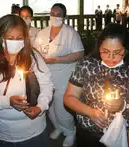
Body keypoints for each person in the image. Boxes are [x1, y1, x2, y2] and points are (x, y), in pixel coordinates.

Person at [64, 23, 129, 147]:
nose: (111, 58)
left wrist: (124, 105)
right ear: (99, 47)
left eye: (118, 52)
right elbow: (69, 98)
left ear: (126, 49)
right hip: (90, 136)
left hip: (126, 135)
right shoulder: (86, 65)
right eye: (105, 51)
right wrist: (90, 112)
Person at [0, 14, 54, 147]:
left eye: (19, 38)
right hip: (4, 132)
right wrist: (8, 101)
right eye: (10, 38)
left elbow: (47, 85)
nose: (15, 41)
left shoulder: (33, 57)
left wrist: (40, 106)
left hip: (34, 130)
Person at [34, 3, 84, 147]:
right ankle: (58, 127)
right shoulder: (43, 32)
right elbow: (36, 50)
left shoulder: (70, 33)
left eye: (58, 14)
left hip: (64, 75)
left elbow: (79, 53)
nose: (54, 17)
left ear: (64, 16)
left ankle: (70, 131)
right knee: (48, 107)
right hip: (46, 76)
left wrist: (58, 60)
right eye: (52, 14)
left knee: (62, 108)